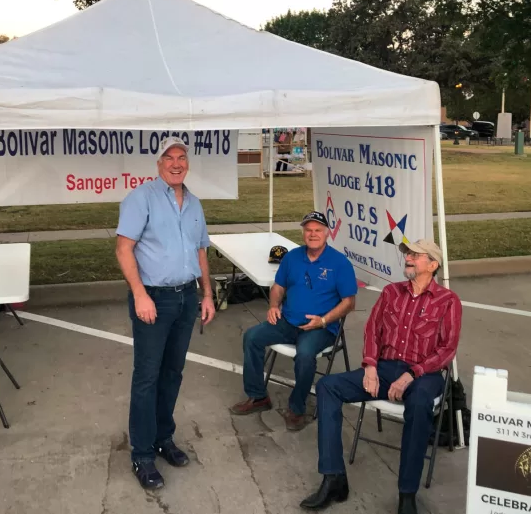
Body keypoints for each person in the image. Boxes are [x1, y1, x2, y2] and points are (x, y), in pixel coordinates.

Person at [301, 239, 462, 513]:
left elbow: (447, 349)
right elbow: (372, 331)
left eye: (415, 255)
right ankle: (333, 478)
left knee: (420, 404)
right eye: (407, 254)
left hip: (424, 374)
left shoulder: (448, 301)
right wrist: (371, 366)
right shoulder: (391, 292)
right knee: (328, 386)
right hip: (385, 367)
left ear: (432, 265)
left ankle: (407, 495)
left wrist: (413, 374)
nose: (408, 258)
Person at [115, 136, 216, 491]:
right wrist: (140, 295)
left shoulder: (195, 204)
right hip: (154, 299)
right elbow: (123, 249)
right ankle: (142, 454)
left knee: (172, 373)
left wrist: (207, 294)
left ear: (187, 164)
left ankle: (163, 438)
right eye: (169, 158)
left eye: (182, 158)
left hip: (187, 297)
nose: (176, 163)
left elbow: (201, 251)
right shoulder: (140, 198)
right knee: (147, 377)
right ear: (158, 165)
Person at [230, 211, 357, 431]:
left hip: (321, 327)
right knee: (252, 337)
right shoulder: (292, 257)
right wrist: (272, 306)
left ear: (327, 233)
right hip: (288, 321)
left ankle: (297, 408)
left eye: (318, 230)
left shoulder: (340, 263)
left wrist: (324, 320)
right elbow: (279, 286)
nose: (313, 234)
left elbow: (349, 302)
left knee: (305, 354)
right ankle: (258, 396)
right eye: (308, 230)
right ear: (303, 233)